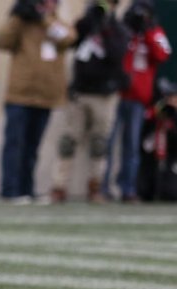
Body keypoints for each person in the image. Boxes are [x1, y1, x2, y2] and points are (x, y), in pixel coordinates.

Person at [0, 0, 75, 203]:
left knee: (32, 147)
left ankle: (27, 188)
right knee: (15, 144)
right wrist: (16, 18)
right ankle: (10, 190)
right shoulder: (22, 23)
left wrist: (43, 20)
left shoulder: (57, 24)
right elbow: (1, 41)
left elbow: (68, 39)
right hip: (20, 95)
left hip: (45, 96)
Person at [50, 0, 129, 204]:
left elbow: (116, 54)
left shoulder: (117, 29)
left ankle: (95, 186)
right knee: (68, 141)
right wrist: (88, 23)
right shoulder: (85, 24)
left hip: (104, 95)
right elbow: (68, 42)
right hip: (80, 93)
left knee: (99, 143)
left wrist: (104, 28)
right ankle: (59, 186)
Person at [104, 0, 171, 203]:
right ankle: (103, 187)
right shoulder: (124, 29)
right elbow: (112, 50)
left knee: (131, 146)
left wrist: (148, 31)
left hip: (138, 99)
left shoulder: (154, 31)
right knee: (108, 144)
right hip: (117, 95)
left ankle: (128, 188)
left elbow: (164, 53)